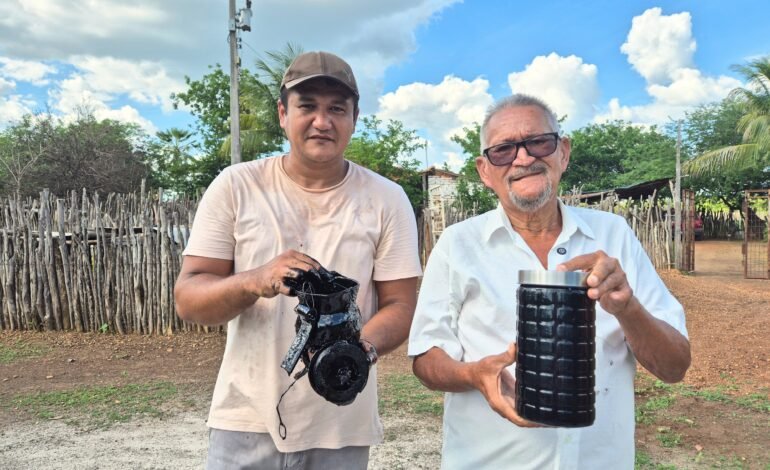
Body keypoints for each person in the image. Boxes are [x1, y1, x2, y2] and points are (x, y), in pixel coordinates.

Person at [408, 94, 691, 469]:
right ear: (484, 170)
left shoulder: (614, 236)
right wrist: (473, 375)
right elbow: (426, 357)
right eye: (503, 150)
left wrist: (628, 308)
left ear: (563, 152)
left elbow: (674, 367)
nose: (523, 158)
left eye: (538, 142)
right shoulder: (458, 244)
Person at [174, 51, 421, 469]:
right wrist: (256, 280)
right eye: (307, 106)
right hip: (245, 419)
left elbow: (402, 305)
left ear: (354, 118)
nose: (322, 121)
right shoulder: (236, 186)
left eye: (336, 109)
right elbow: (189, 298)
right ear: (283, 114)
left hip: (342, 423)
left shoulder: (386, 198)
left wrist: (356, 353)